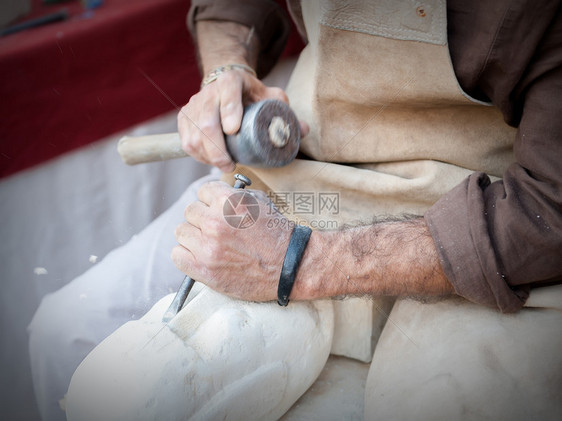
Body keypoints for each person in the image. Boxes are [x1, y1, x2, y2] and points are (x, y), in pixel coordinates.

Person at [29, 0, 562, 420]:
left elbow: (550, 209)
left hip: (463, 213)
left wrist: (299, 262)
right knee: (67, 329)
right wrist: (227, 68)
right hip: (305, 181)